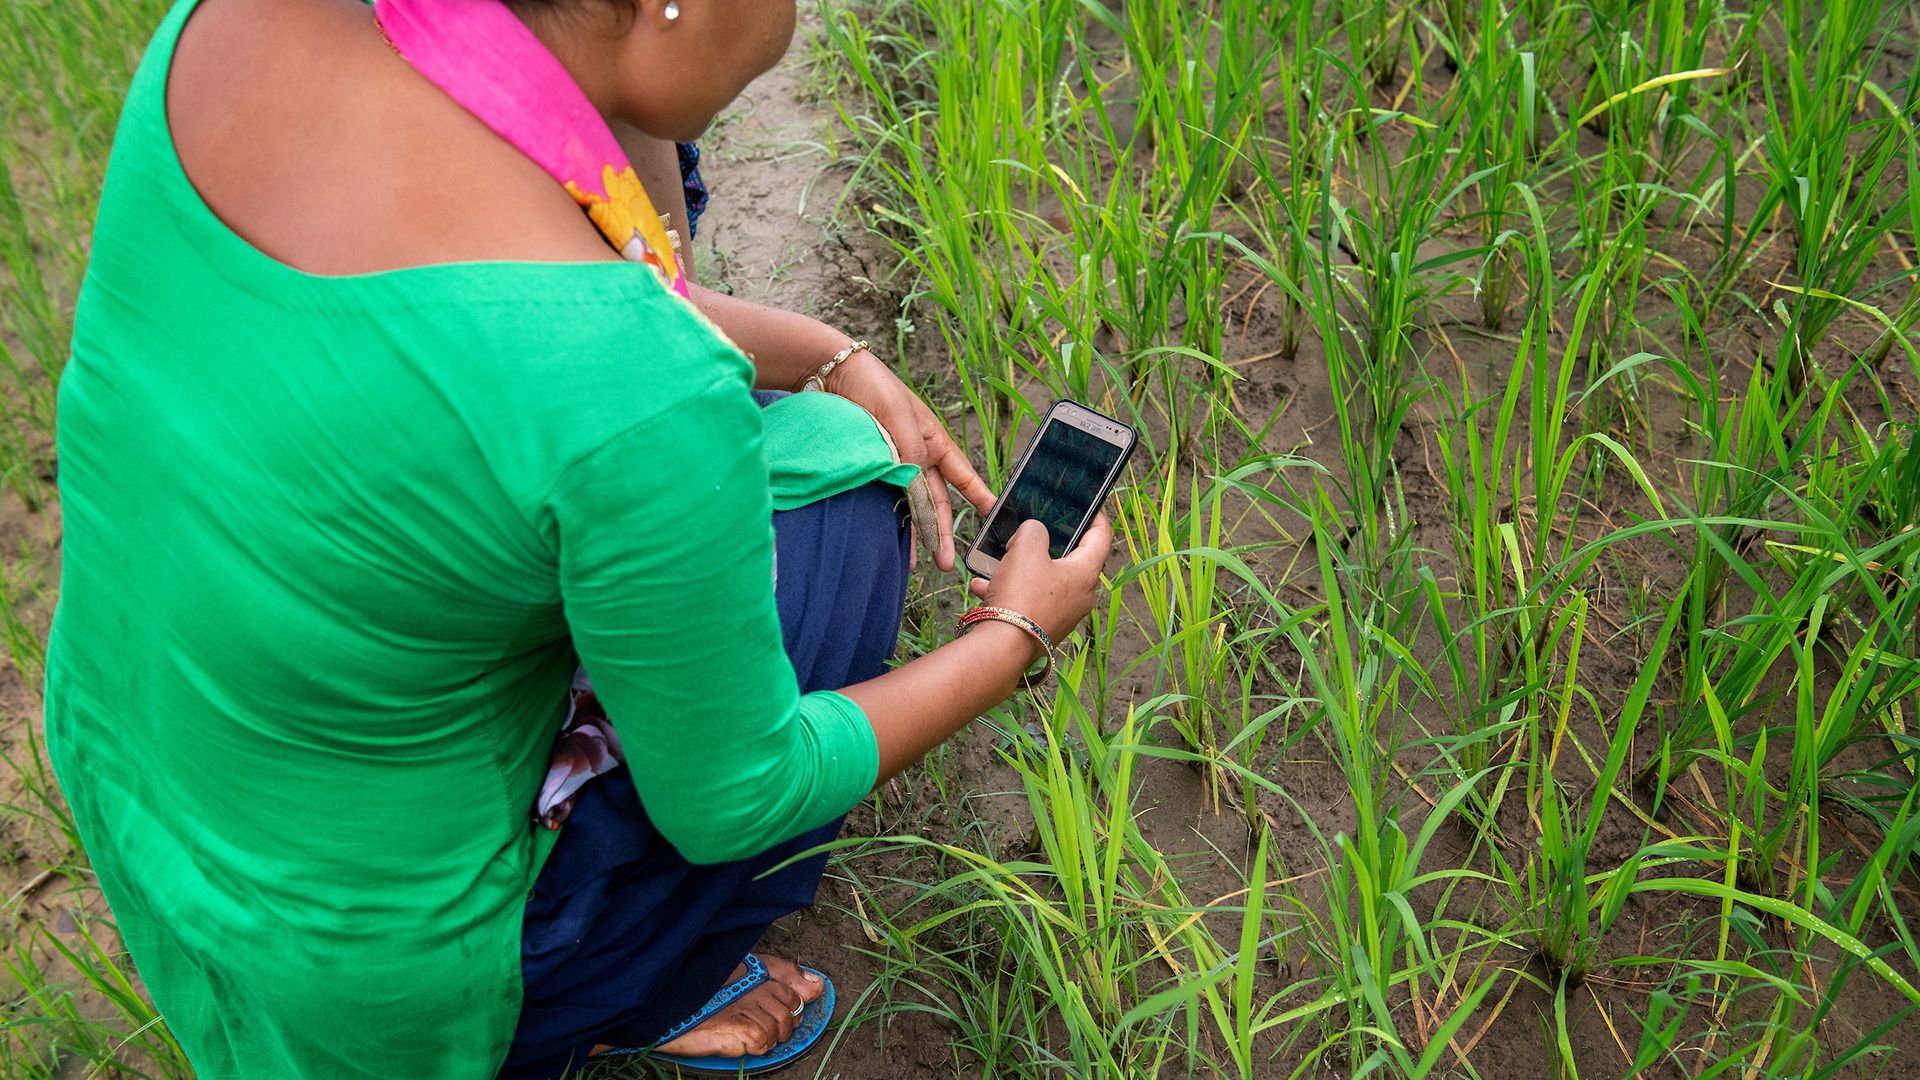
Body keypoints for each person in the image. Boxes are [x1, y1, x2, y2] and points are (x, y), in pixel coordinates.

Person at [41, 1, 1113, 1079]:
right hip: (380, 976)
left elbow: (493, 338)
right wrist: (1014, 632)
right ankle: (611, 987)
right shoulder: (633, 386)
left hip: (141, 785)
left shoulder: (227, 26)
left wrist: (829, 352)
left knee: (752, 408)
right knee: (842, 519)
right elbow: (740, 793)